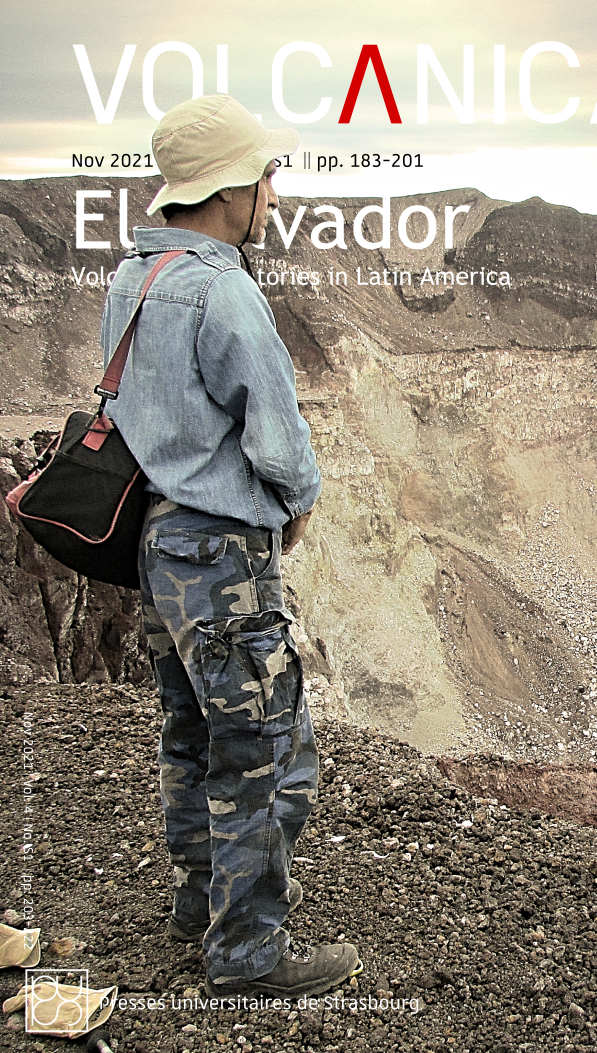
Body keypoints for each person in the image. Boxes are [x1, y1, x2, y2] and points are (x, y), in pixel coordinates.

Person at [100, 94, 360, 999]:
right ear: (232, 189)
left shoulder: (132, 277)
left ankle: (198, 900)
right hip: (223, 555)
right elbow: (279, 439)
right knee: (270, 748)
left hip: (157, 548)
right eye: (267, 175)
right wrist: (298, 502)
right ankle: (247, 953)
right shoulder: (223, 288)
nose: (276, 192)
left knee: (190, 732)